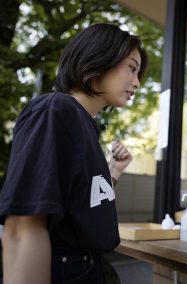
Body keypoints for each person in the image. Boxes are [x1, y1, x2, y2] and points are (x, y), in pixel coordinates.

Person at [0, 23, 148, 283]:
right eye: (132, 68)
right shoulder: (55, 111)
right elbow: (22, 227)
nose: (137, 83)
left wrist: (114, 171)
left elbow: (79, 205)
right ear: (99, 57)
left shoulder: (83, 123)